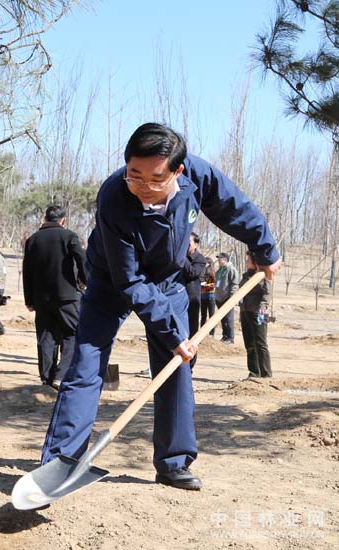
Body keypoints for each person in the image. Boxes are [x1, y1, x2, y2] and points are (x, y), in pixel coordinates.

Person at [41, 122, 281, 491]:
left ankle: (173, 462)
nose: (142, 187)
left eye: (155, 179)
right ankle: (59, 464)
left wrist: (264, 250)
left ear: (177, 172)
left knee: (175, 365)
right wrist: (171, 332)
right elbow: (130, 280)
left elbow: (235, 208)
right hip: (112, 279)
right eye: (133, 174)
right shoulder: (113, 197)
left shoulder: (197, 175)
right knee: (86, 365)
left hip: (168, 280)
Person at [23, 205, 87, 389]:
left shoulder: (33, 240)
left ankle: (46, 379)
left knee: (45, 336)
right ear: (63, 220)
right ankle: (61, 374)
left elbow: (27, 271)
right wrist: (85, 280)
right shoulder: (69, 236)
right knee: (74, 333)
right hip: (67, 296)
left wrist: (29, 299)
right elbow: (81, 258)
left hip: (41, 298)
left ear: (45, 218)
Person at [239, 250, 272, 379]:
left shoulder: (262, 276)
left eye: (248, 260)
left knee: (260, 343)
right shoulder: (246, 276)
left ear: (255, 262)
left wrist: (262, 308)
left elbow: (267, 293)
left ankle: (266, 374)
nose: (246, 262)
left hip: (258, 313)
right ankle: (254, 372)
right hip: (245, 311)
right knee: (249, 344)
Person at [183, 232, 206, 369]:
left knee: (192, 335)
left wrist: (182, 257)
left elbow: (192, 273)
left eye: (188, 243)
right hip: (178, 300)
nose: (185, 246)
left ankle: (190, 366)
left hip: (192, 301)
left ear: (196, 244)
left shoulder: (199, 259)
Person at [215, 252, 239, 344]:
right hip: (219, 298)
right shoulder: (219, 271)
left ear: (225, 260)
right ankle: (225, 336)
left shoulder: (231, 270)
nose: (218, 260)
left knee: (229, 318)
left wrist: (232, 298)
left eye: (220, 258)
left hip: (227, 298)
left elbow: (234, 284)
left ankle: (230, 337)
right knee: (223, 319)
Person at [200, 257, 216, 337]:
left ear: (209, 263)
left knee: (211, 315)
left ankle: (212, 333)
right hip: (203, 297)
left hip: (210, 296)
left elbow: (211, 286)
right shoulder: (202, 271)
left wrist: (202, 285)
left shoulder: (212, 272)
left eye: (205, 263)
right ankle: (202, 332)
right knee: (203, 315)